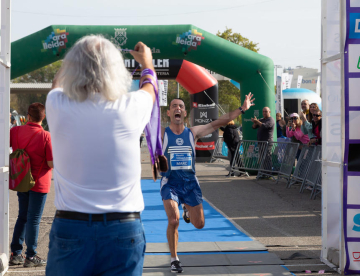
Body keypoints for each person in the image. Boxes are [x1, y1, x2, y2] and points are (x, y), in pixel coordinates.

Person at [45, 35, 156, 276]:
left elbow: (58, 83)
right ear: (117, 70)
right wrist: (147, 63)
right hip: (123, 227)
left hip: (71, 227)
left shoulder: (57, 104)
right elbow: (150, 88)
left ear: (72, 69)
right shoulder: (131, 106)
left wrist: (73, 60)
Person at [161, 94, 255, 273]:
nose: (177, 108)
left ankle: (187, 207)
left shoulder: (193, 132)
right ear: (168, 113)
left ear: (185, 112)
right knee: (173, 220)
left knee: (199, 224)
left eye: (180, 106)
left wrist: (242, 109)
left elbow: (219, 122)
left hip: (190, 183)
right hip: (170, 182)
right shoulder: (163, 133)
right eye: (174, 106)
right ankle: (174, 259)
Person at [9, 103, 53, 268]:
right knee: (34, 219)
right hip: (39, 182)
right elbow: (51, 162)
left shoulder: (15, 131)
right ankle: (31, 256)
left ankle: (16, 253)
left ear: (27, 116)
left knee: (22, 216)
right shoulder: (46, 136)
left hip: (22, 179)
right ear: (43, 117)